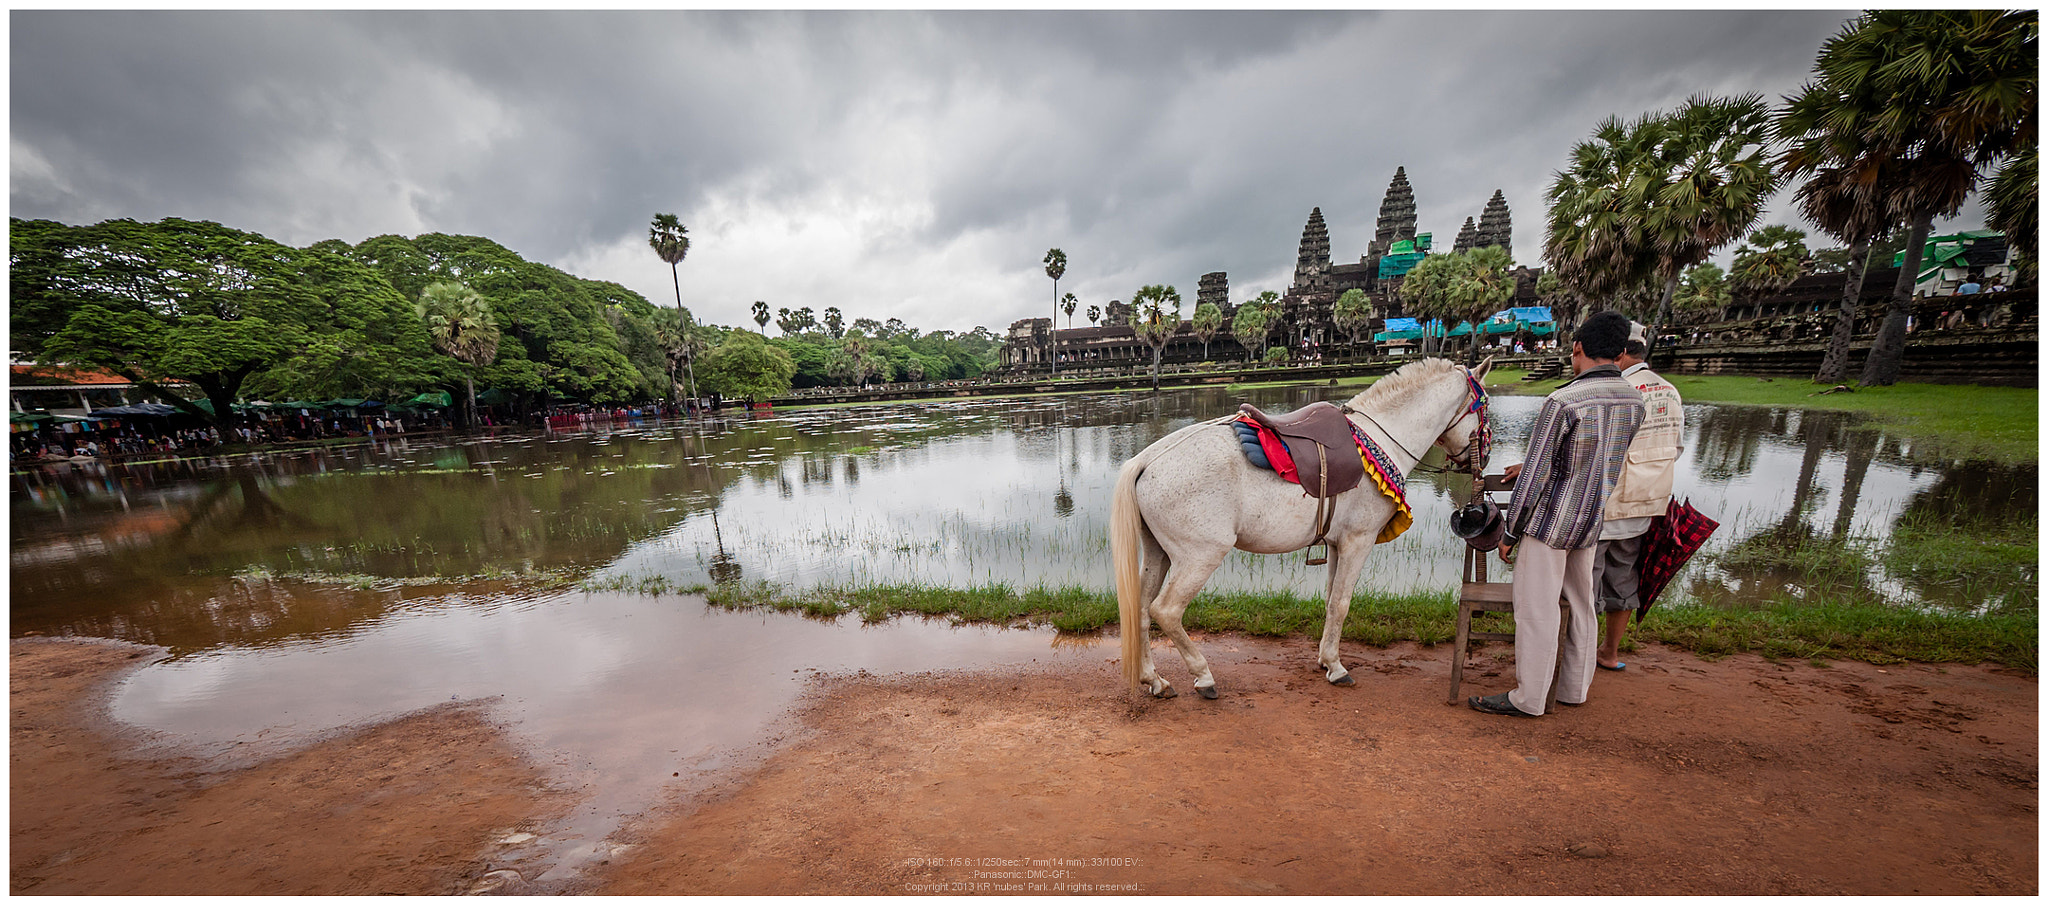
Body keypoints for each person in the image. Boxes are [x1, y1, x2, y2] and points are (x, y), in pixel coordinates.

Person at [1469, 310, 1644, 718]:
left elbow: (1537, 476)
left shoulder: (1563, 401)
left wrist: (1510, 533)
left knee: (1535, 609)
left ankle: (1528, 698)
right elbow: (1596, 458)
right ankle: (1573, 689)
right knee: (1582, 603)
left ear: (1577, 348)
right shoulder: (1633, 400)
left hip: (1550, 524)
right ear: (1620, 354)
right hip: (1590, 520)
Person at [1589, 322, 1684, 672]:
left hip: (1605, 506)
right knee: (1624, 579)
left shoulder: (1618, 391)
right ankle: (1609, 653)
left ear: (1621, 353)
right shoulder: (1670, 392)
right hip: (1645, 505)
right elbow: (1676, 448)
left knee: (1587, 585)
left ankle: (1579, 656)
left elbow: (1591, 449)